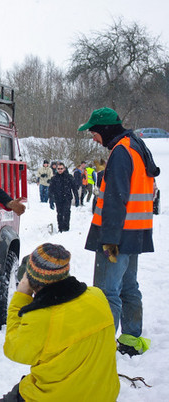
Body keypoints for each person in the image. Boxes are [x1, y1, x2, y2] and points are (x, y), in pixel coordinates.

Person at [79, 107, 160, 356]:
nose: (93, 138)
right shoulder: (136, 146)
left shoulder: (121, 152)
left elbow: (115, 198)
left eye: (94, 132)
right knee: (128, 287)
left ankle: (102, 347)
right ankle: (131, 340)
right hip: (135, 233)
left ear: (104, 129)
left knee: (106, 292)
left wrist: (110, 239)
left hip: (117, 235)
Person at [0, 243, 119, 402]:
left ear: (32, 281)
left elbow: (13, 350)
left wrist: (21, 297)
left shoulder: (42, 317)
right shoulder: (97, 296)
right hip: (103, 394)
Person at [48, 162, 73, 232]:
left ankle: (66, 226)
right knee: (59, 213)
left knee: (67, 212)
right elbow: (51, 190)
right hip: (58, 198)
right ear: (56, 169)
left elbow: (74, 187)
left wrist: (76, 198)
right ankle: (60, 227)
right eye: (58, 169)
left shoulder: (69, 177)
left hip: (67, 198)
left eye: (61, 169)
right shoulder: (54, 178)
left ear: (64, 169)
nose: (60, 170)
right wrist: (51, 200)